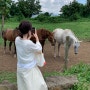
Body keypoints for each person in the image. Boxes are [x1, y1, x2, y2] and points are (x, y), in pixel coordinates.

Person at [15, 20, 48, 90]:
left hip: (20, 68)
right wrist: (37, 38)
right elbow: (39, 49)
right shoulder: (29, 44)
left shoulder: (17, 39)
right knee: (37, 85)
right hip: (30, 70)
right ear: (29, 31)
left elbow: (24, 43)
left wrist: (29, 36)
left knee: (24, 86)